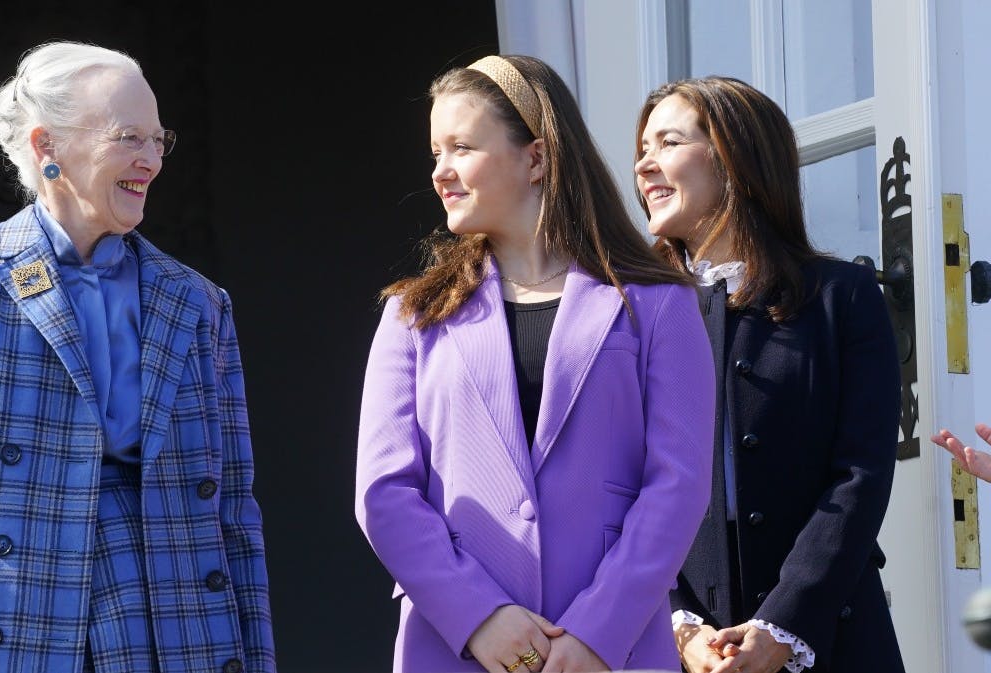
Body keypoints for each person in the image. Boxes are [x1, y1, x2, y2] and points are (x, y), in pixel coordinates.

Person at [0, 41, 275, 673]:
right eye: (128, 138)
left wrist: (258, 660)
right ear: (46, 147)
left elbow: (233, 511)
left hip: (179, 632)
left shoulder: (198, 302)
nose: (151, 161)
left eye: (158, 140)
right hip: (24, 629)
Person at [354, 53, 715, 673]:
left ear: (537, 158)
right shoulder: (413, 316)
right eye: (435, 154)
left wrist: (599, 632)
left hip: (613, 653)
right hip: (455, 649)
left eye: (461, 147)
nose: (441, 172)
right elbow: (384, 494)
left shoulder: (658, 304)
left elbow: (677, 485)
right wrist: (478, 617)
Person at [634, 75, 906, 673]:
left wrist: (785, 625)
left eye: (668, 143)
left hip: (832, 635)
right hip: (685, 647)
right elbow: (627, 489)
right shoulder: (634, 316)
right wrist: (681, 626)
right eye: (642, 151)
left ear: (736, 158)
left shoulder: (843, 298)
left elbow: (860, 476)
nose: (644, 167)